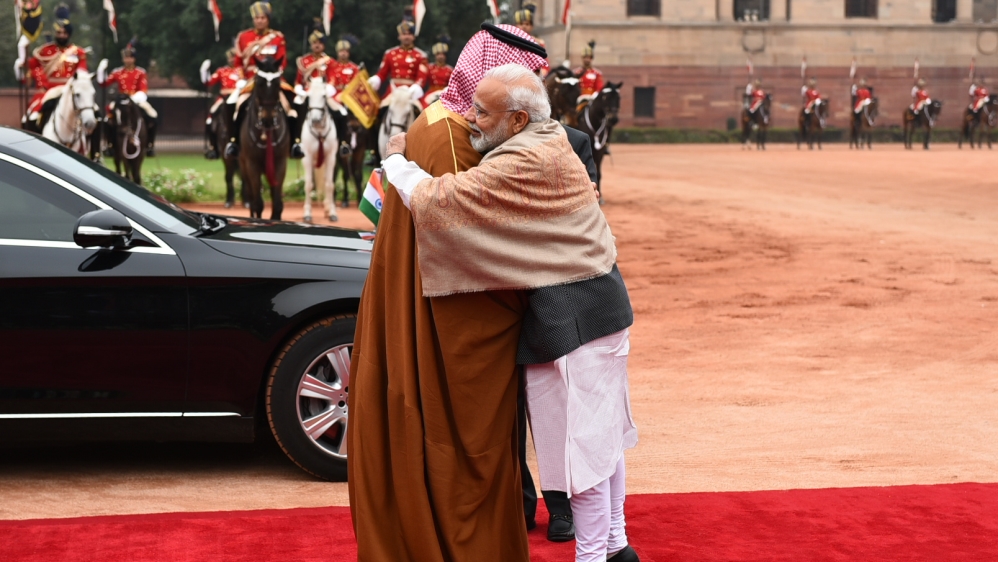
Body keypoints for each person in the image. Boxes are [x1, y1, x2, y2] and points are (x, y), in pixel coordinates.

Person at [381, 63, 639, 562]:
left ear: (518, 120)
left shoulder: (522, 159)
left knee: (577, 450)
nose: (470, 119)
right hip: (602, 304)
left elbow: (440, 200)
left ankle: (592, 557)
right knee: (603, 437)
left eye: (482, 111)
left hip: (569, 318)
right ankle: (615, 544)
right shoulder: (553, 139)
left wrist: (395, 161)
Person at [347, 23, 549, 562]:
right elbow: (474, 256)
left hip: (418, 304)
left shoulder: (441, 116)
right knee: (459, 455)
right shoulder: (459, 141)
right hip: (447, 324)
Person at [224, 1, 303, 159]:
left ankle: (295, 142)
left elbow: (283, 60)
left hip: (273, 78)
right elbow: (239, 62)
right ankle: (233, 142)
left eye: (263, 18)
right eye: (257, 18)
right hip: (251, 79)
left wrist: (275, 74)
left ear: (268, 19)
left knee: (296, 103)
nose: (259, 21)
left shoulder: (277, 37)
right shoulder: (243, 37)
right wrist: (241, 77)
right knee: (232, 103)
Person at [21, 4, 88, 130]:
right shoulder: (44, 51)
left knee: (93, 114)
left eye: (64, 33)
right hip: (49, 91)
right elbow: (29, 68)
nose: (61, 35)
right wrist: (22, 55)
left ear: (69, 34)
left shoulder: (78, 52)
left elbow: (82, 72)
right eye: (59, 32)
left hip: (70, 91)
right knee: (32, 116)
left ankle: (95, 148)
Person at [97, 39, 158, 157]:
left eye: (130, 57)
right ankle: (109, 145)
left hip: (137, 99)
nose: (127, 60)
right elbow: (103, 83)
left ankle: (150, 145)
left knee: (153, 116)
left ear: (134, 59)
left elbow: (143, 89)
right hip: (121, 99)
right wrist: (101, 70)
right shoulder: (117, 72)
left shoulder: (140, 72)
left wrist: (134, 99)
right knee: (107, 119)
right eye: (125, 57)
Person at [367, 12, 428, 108]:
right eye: (404, 34)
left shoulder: (420, 56)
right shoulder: (390, 53)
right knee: (380, 110)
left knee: (423, 114)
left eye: (409, 34)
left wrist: (417, 86)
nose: (406, 37)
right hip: (393, 90)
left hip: (411, 91)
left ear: (413, 36)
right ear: (399, 36)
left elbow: (422, 76)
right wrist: (376, 78)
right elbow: (382, 73)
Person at [200, 48, 243, 160]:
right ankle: (213, 147)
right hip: (223, 98)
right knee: (210, 118)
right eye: (230, 57)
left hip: (239, 97)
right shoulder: (222, 71)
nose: (232, 59)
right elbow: (208, 82)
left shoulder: (242, 71)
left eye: (234, 57)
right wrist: (204, 71)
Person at [327, 35, 360, 101]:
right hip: (332, 95)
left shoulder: (354, 68)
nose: (343, 53)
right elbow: (330, 81)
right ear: (337, 52)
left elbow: (356, 84)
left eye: (346, 51)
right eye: (341, 51)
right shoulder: (331, 65)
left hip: (348, 96)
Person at [422, 36, 453, 106]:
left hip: (444, 92)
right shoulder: (429, 67)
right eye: (438, 54)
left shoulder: (450, 69)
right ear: (435, 55)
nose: (441, 56)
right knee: (423, 105)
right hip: (431, 92)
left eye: (443, 54)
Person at [575, 41, 605, 105]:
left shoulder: (597, 73)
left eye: (588, 57)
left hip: (593, 100)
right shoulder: (576, 73)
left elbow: (599, 88)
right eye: (584, 57)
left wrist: (594, 95)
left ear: (591, 59)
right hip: (579, 99)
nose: (586, 60)